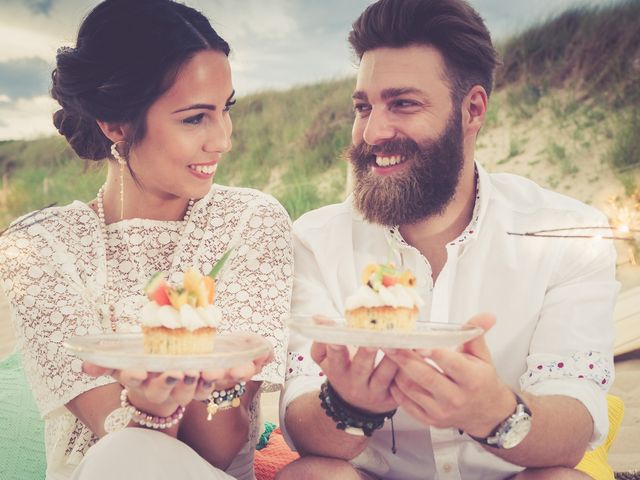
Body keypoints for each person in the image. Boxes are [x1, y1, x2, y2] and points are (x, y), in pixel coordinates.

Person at [278, 0, 619, 479]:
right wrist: (349, 404)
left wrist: (496, 414)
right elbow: (301, 426)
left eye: (403, 103)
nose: (372, 132)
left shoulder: (568, 236)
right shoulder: (314, 240)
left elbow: (574, 425)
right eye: (363, 107)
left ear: (473, 109)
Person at [0, 1, 292, 479]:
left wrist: (208, 386)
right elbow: (125, 451)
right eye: (195, 118)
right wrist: (150, 406)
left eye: (225, 110)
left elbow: (219, 452)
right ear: (116, 124)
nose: (222, 140)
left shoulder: (249, 223)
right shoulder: (38, 249)